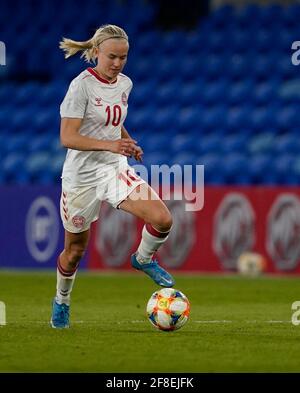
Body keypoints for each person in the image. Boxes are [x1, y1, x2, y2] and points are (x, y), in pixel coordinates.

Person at [50, 24, 175, 328]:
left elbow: (112, 124)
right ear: (95, 53)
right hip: (81, 178)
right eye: (112, 57)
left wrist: (127, 143)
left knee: (162, 219)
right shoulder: (81, 86)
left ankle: (143, 259)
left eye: (123, 57)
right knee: (75, 251)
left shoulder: (125, 84)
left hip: (114, 168)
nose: (117, 63)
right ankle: (62, 301)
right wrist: (111, 143)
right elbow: (67, 137)